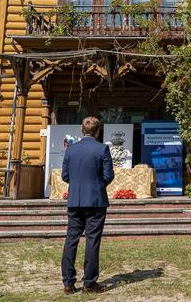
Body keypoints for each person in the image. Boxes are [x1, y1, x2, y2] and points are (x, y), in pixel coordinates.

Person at [61, 116, 114, 294]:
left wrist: (78, 185)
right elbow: (109, 175)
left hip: (75, 199)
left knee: (71, 239)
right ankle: (89, 283)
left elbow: (65, 176)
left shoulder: (71, 150)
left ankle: (68, 283)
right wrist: (97, 186)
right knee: (92, 240)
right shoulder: (102, 149)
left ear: (82, 130)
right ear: (98, 131)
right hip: (95, 200)